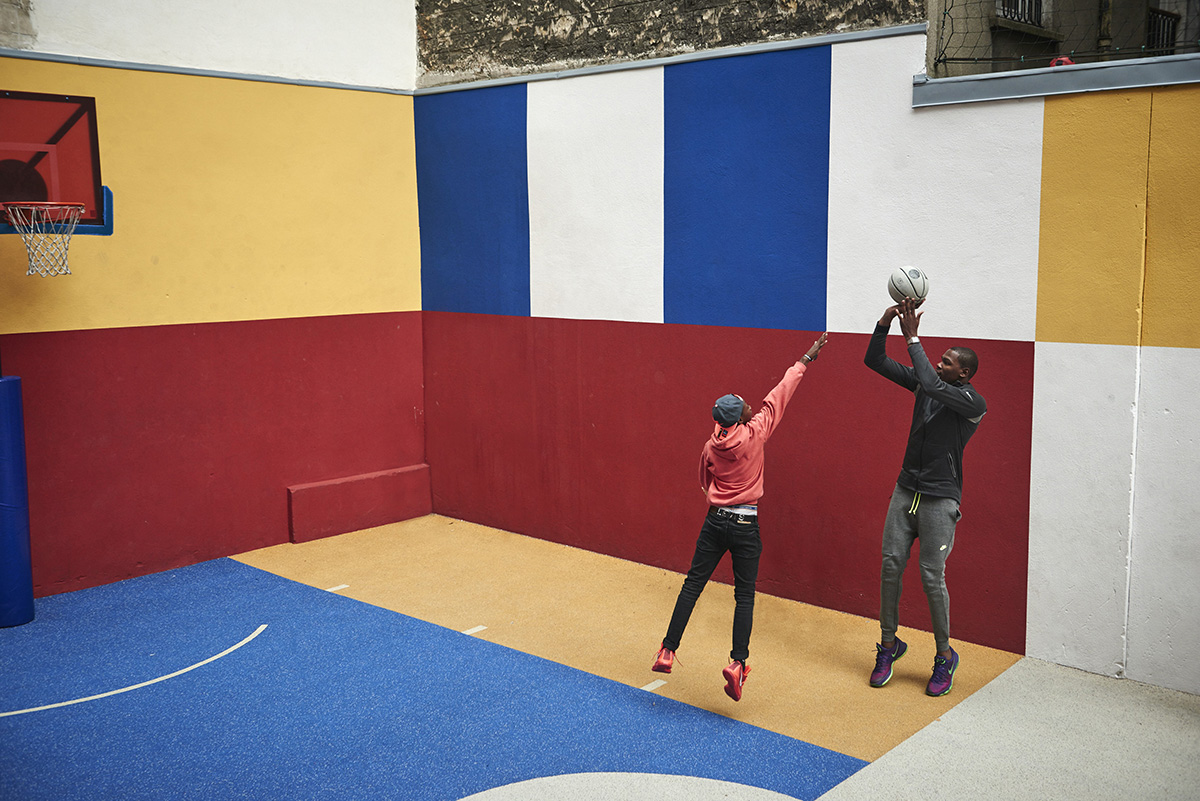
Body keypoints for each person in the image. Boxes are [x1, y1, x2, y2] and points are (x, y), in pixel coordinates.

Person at [652, 332, 828, 702]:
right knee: (744, 595)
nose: (751, 406)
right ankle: (737, 663)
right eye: (746, 406)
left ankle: (667, 649)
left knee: (692, 585)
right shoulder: (756, 433)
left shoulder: (711, 445)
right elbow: (780, 394)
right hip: (746, 524)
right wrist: (806, 359)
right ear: (739, 418)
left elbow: (704, 482)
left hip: (715, 521)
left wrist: (719, 498)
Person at [864, 297, 986, 697]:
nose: (938, 363)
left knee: (932, 578)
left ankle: (944, 655)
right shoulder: (927, 384)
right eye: (940, 358)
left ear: (963, 373)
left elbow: (932, 383)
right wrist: (884, 323)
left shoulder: (972, 403)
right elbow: (874, 361)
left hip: (939, 500)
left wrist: (912, 337)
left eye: (947, 362)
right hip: (906, 492)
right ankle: (888, 645)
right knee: (890, 567)